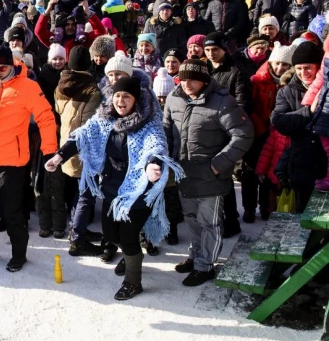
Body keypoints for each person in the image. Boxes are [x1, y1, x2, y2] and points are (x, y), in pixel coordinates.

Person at [46, 76, 182, 300]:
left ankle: (133, 281)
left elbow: (155, 146)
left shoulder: (149, 123)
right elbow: (82, 135)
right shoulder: (104, 119)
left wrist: (152, 165)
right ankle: (132, 257)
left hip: (139, 190)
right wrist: (60, 156)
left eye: (126, 96)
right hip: (112, 188)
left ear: (135, 99)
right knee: (110, 234)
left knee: (128, 238)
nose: (121, 100)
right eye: (117, 95)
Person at [0, 43, 57, 272]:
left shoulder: (28, 86)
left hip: (13, 160)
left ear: (12, 66)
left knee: (12, 210)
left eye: (2, 68)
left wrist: (49, 150)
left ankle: (19, 254)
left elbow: (46, 117)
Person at [164, 58, 253, 286]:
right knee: (191, 219)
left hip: (210, 177)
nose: (187, 84)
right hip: (184, 174)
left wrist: (218, 164)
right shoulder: (174, 98)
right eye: (183, 79)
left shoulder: (222, 102)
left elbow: (243, 134)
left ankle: (206, 266)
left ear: (204, 79)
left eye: (192, 79)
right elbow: (166, 131)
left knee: (209, 223)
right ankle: (196, 257)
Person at [56, 46, 108, 256]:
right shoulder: (91, 90)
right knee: (85, 194)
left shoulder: (60, 85)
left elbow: (60, 112)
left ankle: (79, 230)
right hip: (84, 148)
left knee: (79, 191)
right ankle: (77, 239)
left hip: (66, 144)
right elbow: (89, 125)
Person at [272, 41, 326, 211]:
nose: (304, 73)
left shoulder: (327, 89)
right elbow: (279, 121)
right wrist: (308, 111)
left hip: (326, 163)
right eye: (299, 68)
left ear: (319, 67)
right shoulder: (286, 92)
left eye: (308, 67)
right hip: (302, 165)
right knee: (303, 216)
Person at [245, 43, 296, 221]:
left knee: (269, 171)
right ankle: (249, 208)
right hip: (257, 131)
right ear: (271, 62)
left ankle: (265, 206)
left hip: (277, 133)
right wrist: (260, 128)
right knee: (251, 171)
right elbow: (249, 107)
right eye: (277, 63)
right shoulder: (257, 80)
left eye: (285, 65)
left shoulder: (290, 83)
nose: (280, 68)